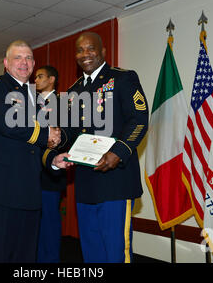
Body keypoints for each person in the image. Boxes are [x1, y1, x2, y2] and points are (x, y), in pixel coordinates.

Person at [0, 40, 71, 263]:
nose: (23, 62)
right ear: (6, 63)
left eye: (28, 58)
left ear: (34, 64)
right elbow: (9, 123)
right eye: (18, 57)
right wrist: (47, 135)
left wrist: (54, 159)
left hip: (30, 192)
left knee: (26, 259)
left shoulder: (37, 98)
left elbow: (35, 148)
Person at [63, 32, 149, 262]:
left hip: (115, 182)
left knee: (116, 252)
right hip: (85, 184)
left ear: (103, 52)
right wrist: (56, 144)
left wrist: (118, 153)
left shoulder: (123, 79)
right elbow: (68, 133)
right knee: (91, 253)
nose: (85, 54)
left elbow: (139, 119)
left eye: (91, 49)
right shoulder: (74, 91)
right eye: (80, 50)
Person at [34, 65, 67, 263]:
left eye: (40, 76)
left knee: (49, 223)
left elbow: (60, 138)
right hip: (32, 172)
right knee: (35, 224)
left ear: (52, 79)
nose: (36, 80)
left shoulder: (63, 104)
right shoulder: (31, 104)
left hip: (51, 172)